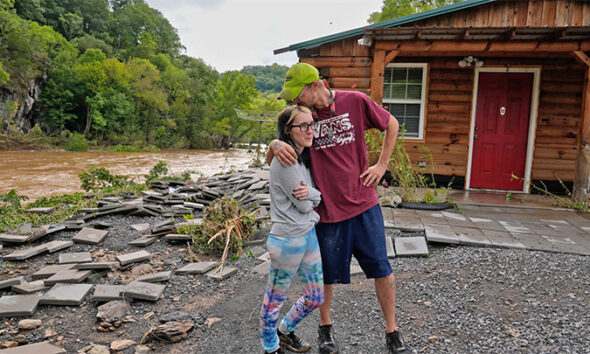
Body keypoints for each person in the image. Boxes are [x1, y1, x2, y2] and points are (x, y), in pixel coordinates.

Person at [267, 63, 415, 354]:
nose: (294, 102)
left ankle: (393, 333)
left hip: (364, 205)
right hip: (328, 212)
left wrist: (382, 165)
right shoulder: (303, 119)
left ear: (314, 86)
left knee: (382, 270)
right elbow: (278, 146)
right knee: (327, 276)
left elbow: (392, 123)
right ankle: (326, 330)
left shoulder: (355, 101)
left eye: (297, 95)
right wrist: (273, 144)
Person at [260, 105, 324, 354]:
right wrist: (315, 196)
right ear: (288, 130)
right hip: (287, 239)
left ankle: (285, 330)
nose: (310, 131)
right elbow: (302, 204)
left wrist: (312, 195)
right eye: (303, 126)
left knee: (316, 296)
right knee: (274, 299)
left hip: (308, 234)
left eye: (312, 125)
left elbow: (310, 199)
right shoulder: (286, 160)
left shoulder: (304, 158)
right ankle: (270, 346)